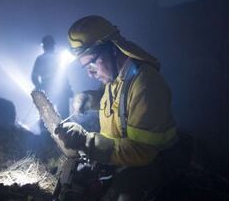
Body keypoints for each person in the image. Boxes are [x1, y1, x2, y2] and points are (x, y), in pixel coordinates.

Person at [55, 16, 182, 201]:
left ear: (112, 49)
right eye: (85, 67)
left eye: (92, 63)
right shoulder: (117, 75)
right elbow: (113, 99)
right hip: (121, 158)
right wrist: (88, 98)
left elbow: (142, 152)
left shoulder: (146, 85)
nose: (90, 73)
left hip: (153, 164)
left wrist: (86, 141)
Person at [31, 35, 73, 118]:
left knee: (49, 115)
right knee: (60, 115)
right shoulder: (57, 58)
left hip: (53, 90)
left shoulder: (40, 59)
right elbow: (64, 75)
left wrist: (39, 86)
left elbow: (34, 76)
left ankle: (49, 129)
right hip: (59, 90)